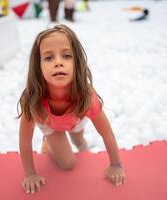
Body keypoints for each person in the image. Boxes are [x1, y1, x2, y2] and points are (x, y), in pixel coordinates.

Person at [17, 24, 125, 194]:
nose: (58, 63)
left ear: (77, 62)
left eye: (66, 56)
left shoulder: (86, 96)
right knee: (69, 164)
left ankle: (73, 142)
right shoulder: (32, 98)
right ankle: (49, 141)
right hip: (50, 124)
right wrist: (30, 174)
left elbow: (106, 133)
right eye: (48, 58)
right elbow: (25, 141)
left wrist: (116, 165)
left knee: (80, 143)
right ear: (38, 66)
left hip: (75, 119)